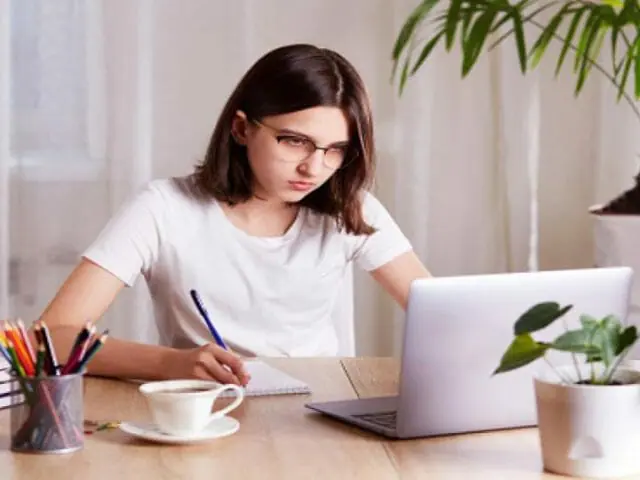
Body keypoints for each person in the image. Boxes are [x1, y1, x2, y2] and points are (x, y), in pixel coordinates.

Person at [38, 44, 431, 385]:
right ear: (241, 128)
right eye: (295, 141)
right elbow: (50, 337)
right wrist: (171, 363)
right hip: (209, 414)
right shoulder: (163, 208)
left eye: (335, 150)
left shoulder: (349, 209)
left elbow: (441, 315)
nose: (314, 168)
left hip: (319, 414)